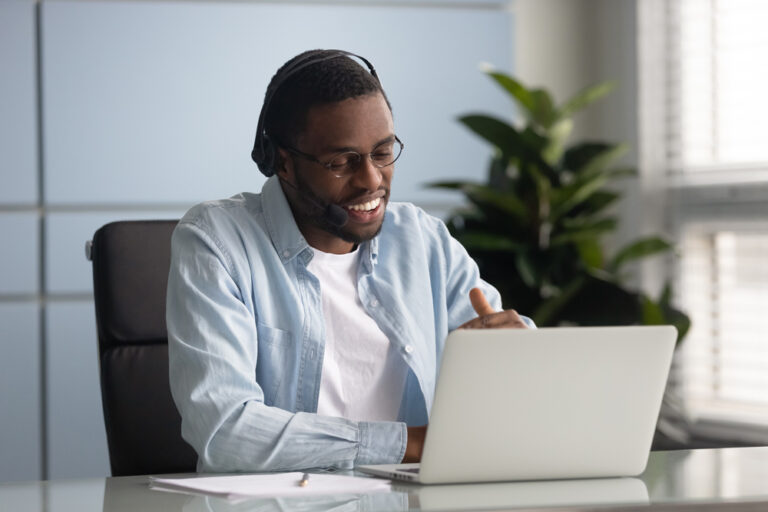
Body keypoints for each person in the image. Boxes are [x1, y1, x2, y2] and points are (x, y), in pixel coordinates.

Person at [166, 49, 533, 473]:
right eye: (342, 162)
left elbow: (511, 360)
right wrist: (409, 444)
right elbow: (225, 430)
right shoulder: (216, 242)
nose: (372, 180)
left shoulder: (423, 241)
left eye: (382, 153)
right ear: (283, 162)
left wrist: (517, 357)